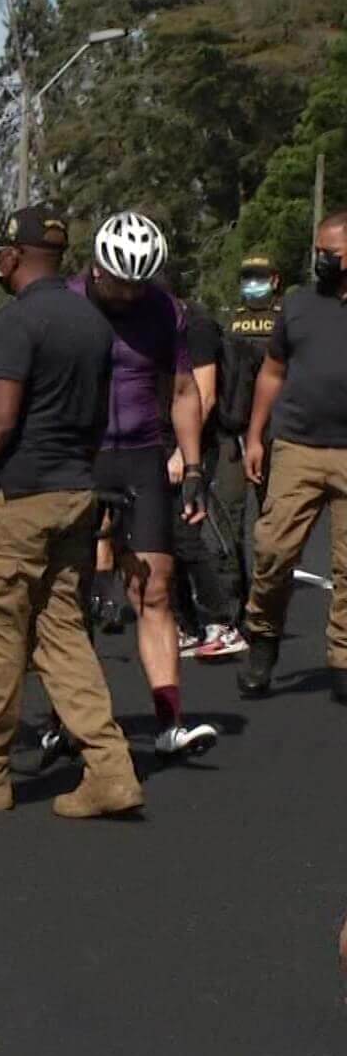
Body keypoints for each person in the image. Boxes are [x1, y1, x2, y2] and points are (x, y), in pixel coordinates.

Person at [0, 205, 142, 819]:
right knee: (63, 638)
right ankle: (111, 769)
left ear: (13, 256)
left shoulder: (16, 322)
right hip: (74, 496)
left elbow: (1, 419)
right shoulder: (93, 323)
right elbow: (95, 419)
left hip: (19, 504)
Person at [76, 211, 215, 759]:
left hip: (139, 453)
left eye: (139, 283)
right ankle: (75, 718)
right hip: (79, 456)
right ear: (96, 267)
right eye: (119, 282)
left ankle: (169, 719)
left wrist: (196, 468)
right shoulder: (67, 300)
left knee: (154, 587)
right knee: (72, 591)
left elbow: (184, 392)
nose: (129, 293)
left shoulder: (163, 310)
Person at [239, 210, 347, 700]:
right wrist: (256, 436)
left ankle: (342, 658)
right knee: (273, 551)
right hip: (297, 446)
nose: (321, 261)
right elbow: (272, 373)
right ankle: (262, 637)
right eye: (318, 252)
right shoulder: (299, 307)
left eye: (331, 254)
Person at [191, 253, 284, 660]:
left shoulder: (287, 319)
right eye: (247, 277)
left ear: (275, 280)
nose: (253, 284)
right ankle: (233, 613)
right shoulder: (227, 320)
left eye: (260, 278)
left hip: (278, 433)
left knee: (274, 531)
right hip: (232, 433)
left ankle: (266, 612)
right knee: (227, 525)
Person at [170, 301, 245, 658]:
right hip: (162, 442)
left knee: (188, 534)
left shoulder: (196, 327)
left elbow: (206, 395)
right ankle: (185, 624)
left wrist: (184, 455)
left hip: (198, 445)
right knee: (164, 539)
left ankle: (223, 624)